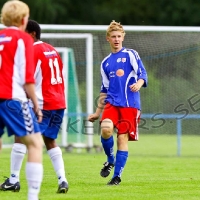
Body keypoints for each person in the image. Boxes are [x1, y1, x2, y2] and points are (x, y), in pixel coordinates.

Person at [0, 19, 69, 194]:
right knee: (49, 140)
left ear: (31, 34)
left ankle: (14, 179)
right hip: (58, 103)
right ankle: (62, 179)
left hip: (41, 103)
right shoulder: (52, 49)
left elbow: (27, 78)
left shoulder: (31, 50)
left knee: (21, 136)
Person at [88, 20, 148, 185]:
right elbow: (104, 89)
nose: (116, 39)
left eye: (118, 36)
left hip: (130, 104)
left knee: (122, 139)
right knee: (106, 129)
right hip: (112, 103)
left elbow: (143, 73)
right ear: (108, 38)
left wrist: (139, 83)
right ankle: (110, 159)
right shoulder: (105, 62)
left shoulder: (131, 54)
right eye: (113, 36)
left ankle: (117, 177)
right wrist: (97, 113)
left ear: (123, 37)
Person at [0, 1, 44, 200]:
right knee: (35, 143)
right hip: (11, 99)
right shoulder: (23, 39)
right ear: (23, 19)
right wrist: (35, 104)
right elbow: (28, 78)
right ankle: (32, 197)